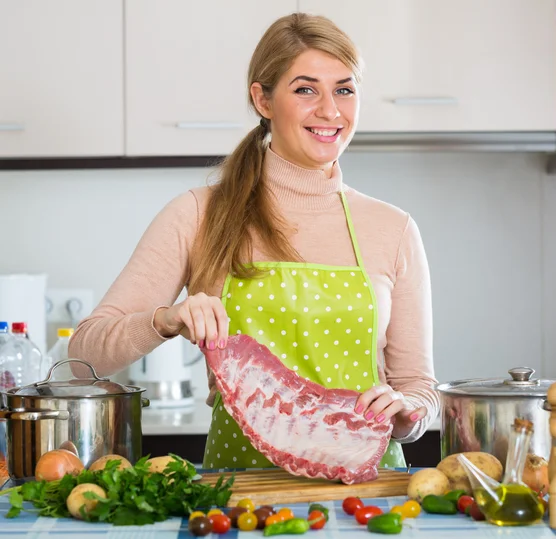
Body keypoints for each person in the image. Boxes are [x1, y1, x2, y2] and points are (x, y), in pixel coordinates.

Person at [69, 12, 440, 469]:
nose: (330, 110)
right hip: (241, 494)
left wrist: (407, 414)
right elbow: (85, 353)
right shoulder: (199, 214)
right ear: (262, 100)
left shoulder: (393, 227)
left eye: (344, 89)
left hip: (368, 500)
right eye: (305, 89)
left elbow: (419, 387)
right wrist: (165, 320)